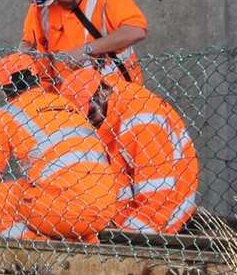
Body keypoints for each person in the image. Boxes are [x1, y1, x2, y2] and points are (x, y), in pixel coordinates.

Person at [0, 52, 125, 242]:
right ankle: (86, 245)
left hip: (63, 209)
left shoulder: (6, 114)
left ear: (3, 89)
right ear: (37, 79)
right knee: (48, 195)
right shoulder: (66, 103)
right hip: (104, 208)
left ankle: (40, 247)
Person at [62, 67, 199, 235]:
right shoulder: (108, 116)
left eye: (89, 114)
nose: (87, 124)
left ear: (103, 92)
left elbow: (160, 200)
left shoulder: (141, 118)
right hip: (128, 225)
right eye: (81, 119)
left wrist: (127, 238)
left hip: (158, 227)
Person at [20, 0, 147, 85]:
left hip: (115, 97)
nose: (54, 4)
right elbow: (28, 43)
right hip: (62, 99)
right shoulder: (44, 2)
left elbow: (136, 30)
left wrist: (87, 50)